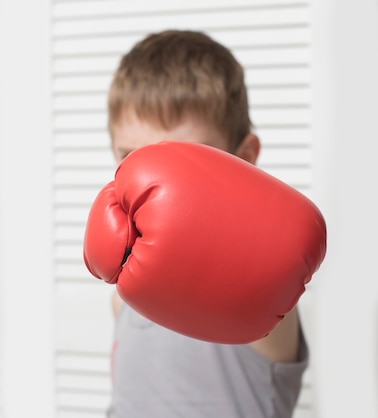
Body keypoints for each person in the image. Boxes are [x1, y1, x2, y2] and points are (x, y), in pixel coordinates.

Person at [104, 30, 308, 417]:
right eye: (132, 159)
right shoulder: (124, 296)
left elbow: (272, 274)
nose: (153, 186)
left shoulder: (258, 294)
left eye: (186, 162)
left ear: (244, 158)